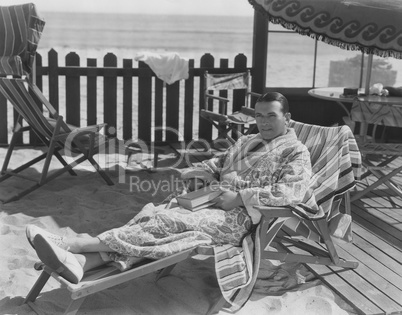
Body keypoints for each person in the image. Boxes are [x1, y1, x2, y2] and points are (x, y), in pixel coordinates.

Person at [26, 92, 312, 284]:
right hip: (209, 199)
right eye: (259, 115)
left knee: (168, 220)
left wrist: (240, 197)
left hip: (240, 217)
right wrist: (201, 173)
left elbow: (291, 192)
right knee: (153, 214)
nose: (263, 121)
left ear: (287, 118)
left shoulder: (295, 152)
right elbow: (218, 161)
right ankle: (82, 264)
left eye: (271, 116)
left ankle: (76, 244)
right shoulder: (247, 140)